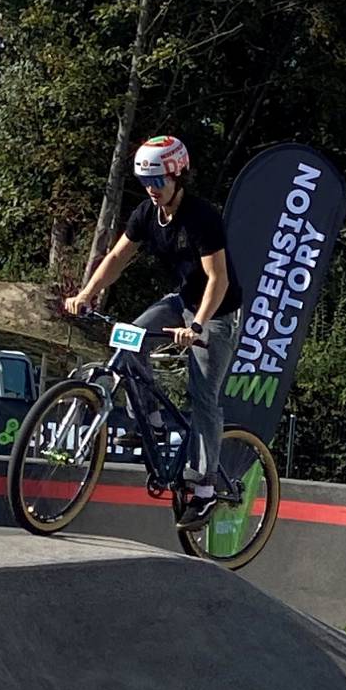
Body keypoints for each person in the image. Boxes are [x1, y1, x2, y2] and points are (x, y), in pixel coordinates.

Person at [65, 135, 242, 530]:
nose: (152, 189)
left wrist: (197, 326)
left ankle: (205, 487)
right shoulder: (146, 214)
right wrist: (87, 293)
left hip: (216, 313)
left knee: (203, 397)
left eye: (159, 181)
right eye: (146, 181)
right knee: (127, 340)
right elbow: (116, 258)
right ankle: (152, 420)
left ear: (179, 175)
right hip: (180, 302)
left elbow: (219, 280)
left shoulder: (202, 218)